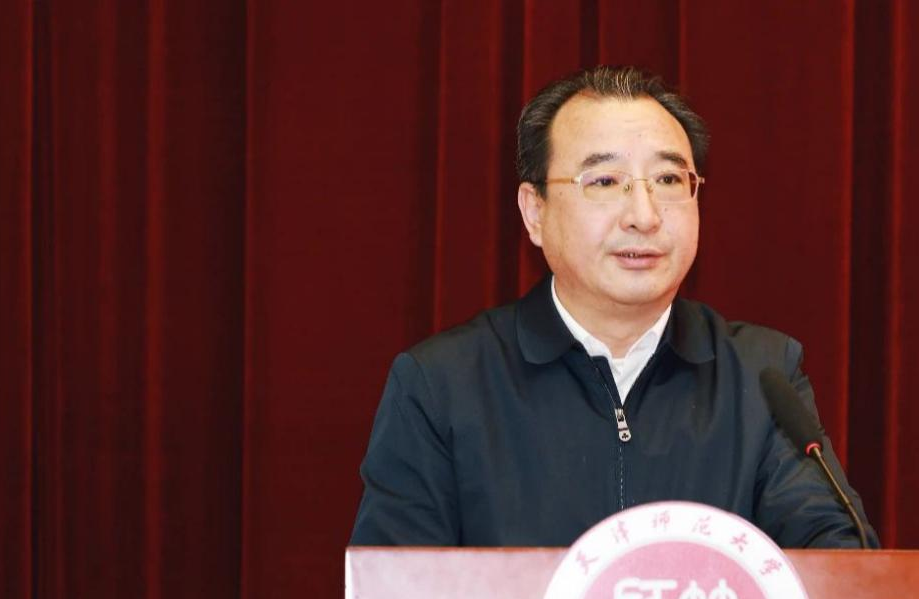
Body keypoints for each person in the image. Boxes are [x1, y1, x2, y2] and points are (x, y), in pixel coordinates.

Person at [350, 66, 878, 549]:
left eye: (668, 180)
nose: (644, 215)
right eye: (605, 182)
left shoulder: (762, 374)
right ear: (534, 212)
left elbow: (841, 570)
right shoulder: (441, 385)